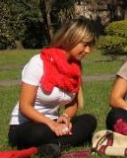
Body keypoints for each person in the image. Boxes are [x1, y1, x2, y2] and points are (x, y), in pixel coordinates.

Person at [8, 18, 98, 158]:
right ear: (71, 39)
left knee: (90, 120)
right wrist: (52, 124)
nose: (88, 50)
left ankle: (53, 146)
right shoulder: (38, 63)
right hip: (27, 125)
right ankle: (67, 141)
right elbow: (25, 107)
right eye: (85, 45)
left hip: (54, 123)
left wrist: (65, 117)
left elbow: (73, 103)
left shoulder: (75, 68)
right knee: (39, 133)